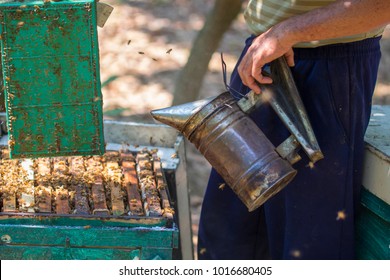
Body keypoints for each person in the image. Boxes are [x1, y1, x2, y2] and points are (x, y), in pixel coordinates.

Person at [197, 0, 390, 260]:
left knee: (307, 252)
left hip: (326, 68)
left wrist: (288, 32)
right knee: (227, 243)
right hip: (259, 54)